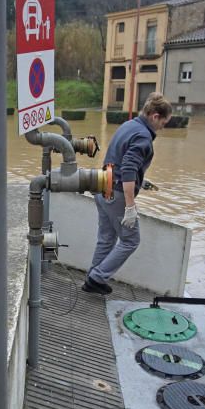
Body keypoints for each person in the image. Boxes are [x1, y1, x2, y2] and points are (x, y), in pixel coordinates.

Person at [83, 93, 172, 295]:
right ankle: (98, 277)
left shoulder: (129, 125)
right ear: (155, 116)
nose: (162, 127)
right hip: (117, 193)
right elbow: (129, 169)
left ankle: (92, 279)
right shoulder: (143, 136)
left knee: (106, 238)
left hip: (102, 186)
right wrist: (130, 207)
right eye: (164, 123)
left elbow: (119, 158)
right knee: (131, 240)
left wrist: (142, 180)